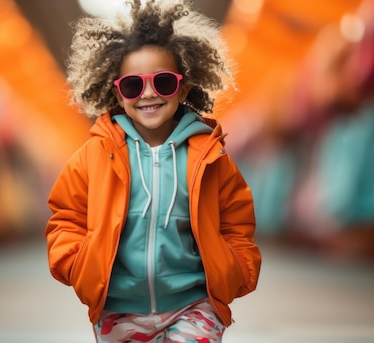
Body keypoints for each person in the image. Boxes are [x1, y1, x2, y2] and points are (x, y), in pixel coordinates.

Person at [45, 1, 261, 341]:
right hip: (118, 308)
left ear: (184, 88)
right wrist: (78, 265)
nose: (148, 94)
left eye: (163, 82)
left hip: (194, 304)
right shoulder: (94, 155)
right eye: (133, 85)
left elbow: (236, 220)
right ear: (116, 91)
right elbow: (66, 216)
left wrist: (235, 270)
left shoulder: (208, 155)